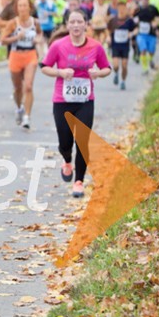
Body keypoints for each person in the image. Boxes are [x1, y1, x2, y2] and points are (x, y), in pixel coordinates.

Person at [41, 10, 111, 198]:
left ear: (85, 24)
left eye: (79, 21)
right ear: (67, 25)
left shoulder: (95, 47)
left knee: (82, 140)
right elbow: (44, 67)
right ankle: (66, 160)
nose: (76, 25)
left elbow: (107, 69)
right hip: (62, 100)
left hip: (85, 101)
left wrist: (97, 73)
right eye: (72, 22)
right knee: (65, 141)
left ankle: (79, 181)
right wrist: (60, 73)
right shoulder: (58, 45)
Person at [0, 0, 42, 129]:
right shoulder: (13, 23)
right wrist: (17, 37)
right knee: (18, 88)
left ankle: (27, 117)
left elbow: (40, 35)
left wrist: (38, 40)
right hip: (15, 55)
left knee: (28, 86)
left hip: (30, 55)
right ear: (17, 8)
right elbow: (2, 40)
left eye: (25, 5)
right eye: (20, 6)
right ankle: (19, 107)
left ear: (29, 7)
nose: (23, 8)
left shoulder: (35, 23)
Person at [107, 0, 136, 91]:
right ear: (117, 8)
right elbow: (108, 30)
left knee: (124, 65)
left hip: (125, 46)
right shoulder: (113, 19)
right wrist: (108, 37)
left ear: (126, 9)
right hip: (115, 45)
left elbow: (136, 29)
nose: (121, 9)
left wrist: (131, 34)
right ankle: (116, 74)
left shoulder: (129, 20)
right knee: (115, 65)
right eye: (120, 7)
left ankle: (123, 81)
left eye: (123, 8)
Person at [133, 0, 159, 75]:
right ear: (142, 0)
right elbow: (133, 18)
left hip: (151, 33)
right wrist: (135, 22)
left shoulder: (153, 8)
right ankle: (145, 69)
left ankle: (150, 60)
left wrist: (156, 23)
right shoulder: (138, 9)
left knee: (151, 51)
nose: (145, 1)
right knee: (143, 50)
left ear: (148, 0)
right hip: (141, 34)